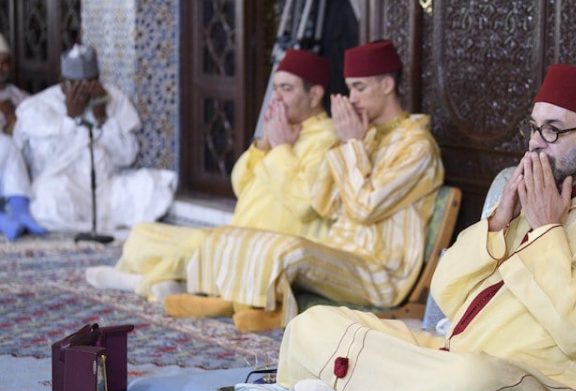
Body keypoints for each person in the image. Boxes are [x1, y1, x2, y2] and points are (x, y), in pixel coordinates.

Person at [275, 64, 576, 391]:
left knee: (464, 381)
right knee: (309, 325)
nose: (535, 144)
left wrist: (547, 229)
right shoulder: (533, 191)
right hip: (453, 350)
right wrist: (498, 223)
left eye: (553, 131)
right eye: (533, 128)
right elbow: (446, 291)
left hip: (538, 376)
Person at [165, 40, 444, 332]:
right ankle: (234, 301)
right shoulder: (367, 135)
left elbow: (365, 207)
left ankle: (270, 309)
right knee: (233, 235)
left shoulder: (417, 147)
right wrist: (345, 143)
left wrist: (351, 145)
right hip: (341, 252)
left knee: (286, 248)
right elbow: (324, 203)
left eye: (359, 88)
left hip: (380, 272)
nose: (352, 98)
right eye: (349, 88)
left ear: (386, 85)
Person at [85, 49, 338, 301]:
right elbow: (240, 185)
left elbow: (306, 203)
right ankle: (176, 283)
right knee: (142, 233)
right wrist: (264, 146)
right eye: (275, 88)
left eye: (287, 89)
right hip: (239, 235)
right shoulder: (282, 130)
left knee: (192, 247)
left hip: (272, 246)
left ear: (315, 94)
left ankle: (141, 283)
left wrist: (282, 149)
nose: (277, 98)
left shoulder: (327, 139)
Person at [12, 44, 176, 232]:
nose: (84, 90)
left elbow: (127, 157)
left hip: (107, 188)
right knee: (49, 199)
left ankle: (98, 223)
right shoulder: (39, 107)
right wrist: (70, 119)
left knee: (151, 189)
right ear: (62, 81)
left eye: (90, 82)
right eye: (76, 84)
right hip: (66, 187)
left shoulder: (113, 98)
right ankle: (88, 225)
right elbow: (44, 164)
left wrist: (102, 119)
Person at [0, 33, 46, 240]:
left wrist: (13, 118)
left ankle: (20, 211)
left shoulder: (19, 97)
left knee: (8, 148)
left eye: (5, 62)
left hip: (15, 164)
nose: (2, 68)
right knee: (5, 145)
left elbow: (37, 128)